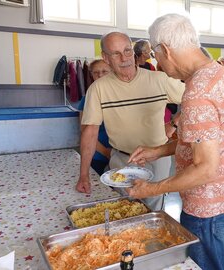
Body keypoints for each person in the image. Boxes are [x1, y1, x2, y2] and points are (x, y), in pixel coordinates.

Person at [127, 14, 224, 270]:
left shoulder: (199, 93)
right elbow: (203, 142)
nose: (157, 63)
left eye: (156, 56)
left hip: (207, 205)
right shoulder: (218, 74)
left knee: (205, 265)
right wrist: (158, 151)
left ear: (165, 50)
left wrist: (151, 189)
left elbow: (205, 168)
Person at [77, 32, 185, 211]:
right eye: (116, 53)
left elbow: (194, 98)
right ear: (106, 57)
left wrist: (173, 124)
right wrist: (84, 175)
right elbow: (90, 132)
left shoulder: (159, 80)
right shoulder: (98, 89)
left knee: (154, 210)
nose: (124, 58)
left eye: (127, 51)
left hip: (157, 159)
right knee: (124, 209)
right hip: (121, 159)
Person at [77, 59, 112, 175]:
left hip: (120, 154)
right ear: (91, 75)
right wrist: (106, 152)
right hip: (96, 154)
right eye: (96, 72)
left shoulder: (120, 95)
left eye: (104, 71)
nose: (100, 75)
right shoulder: (87, 98)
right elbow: (84, 130)